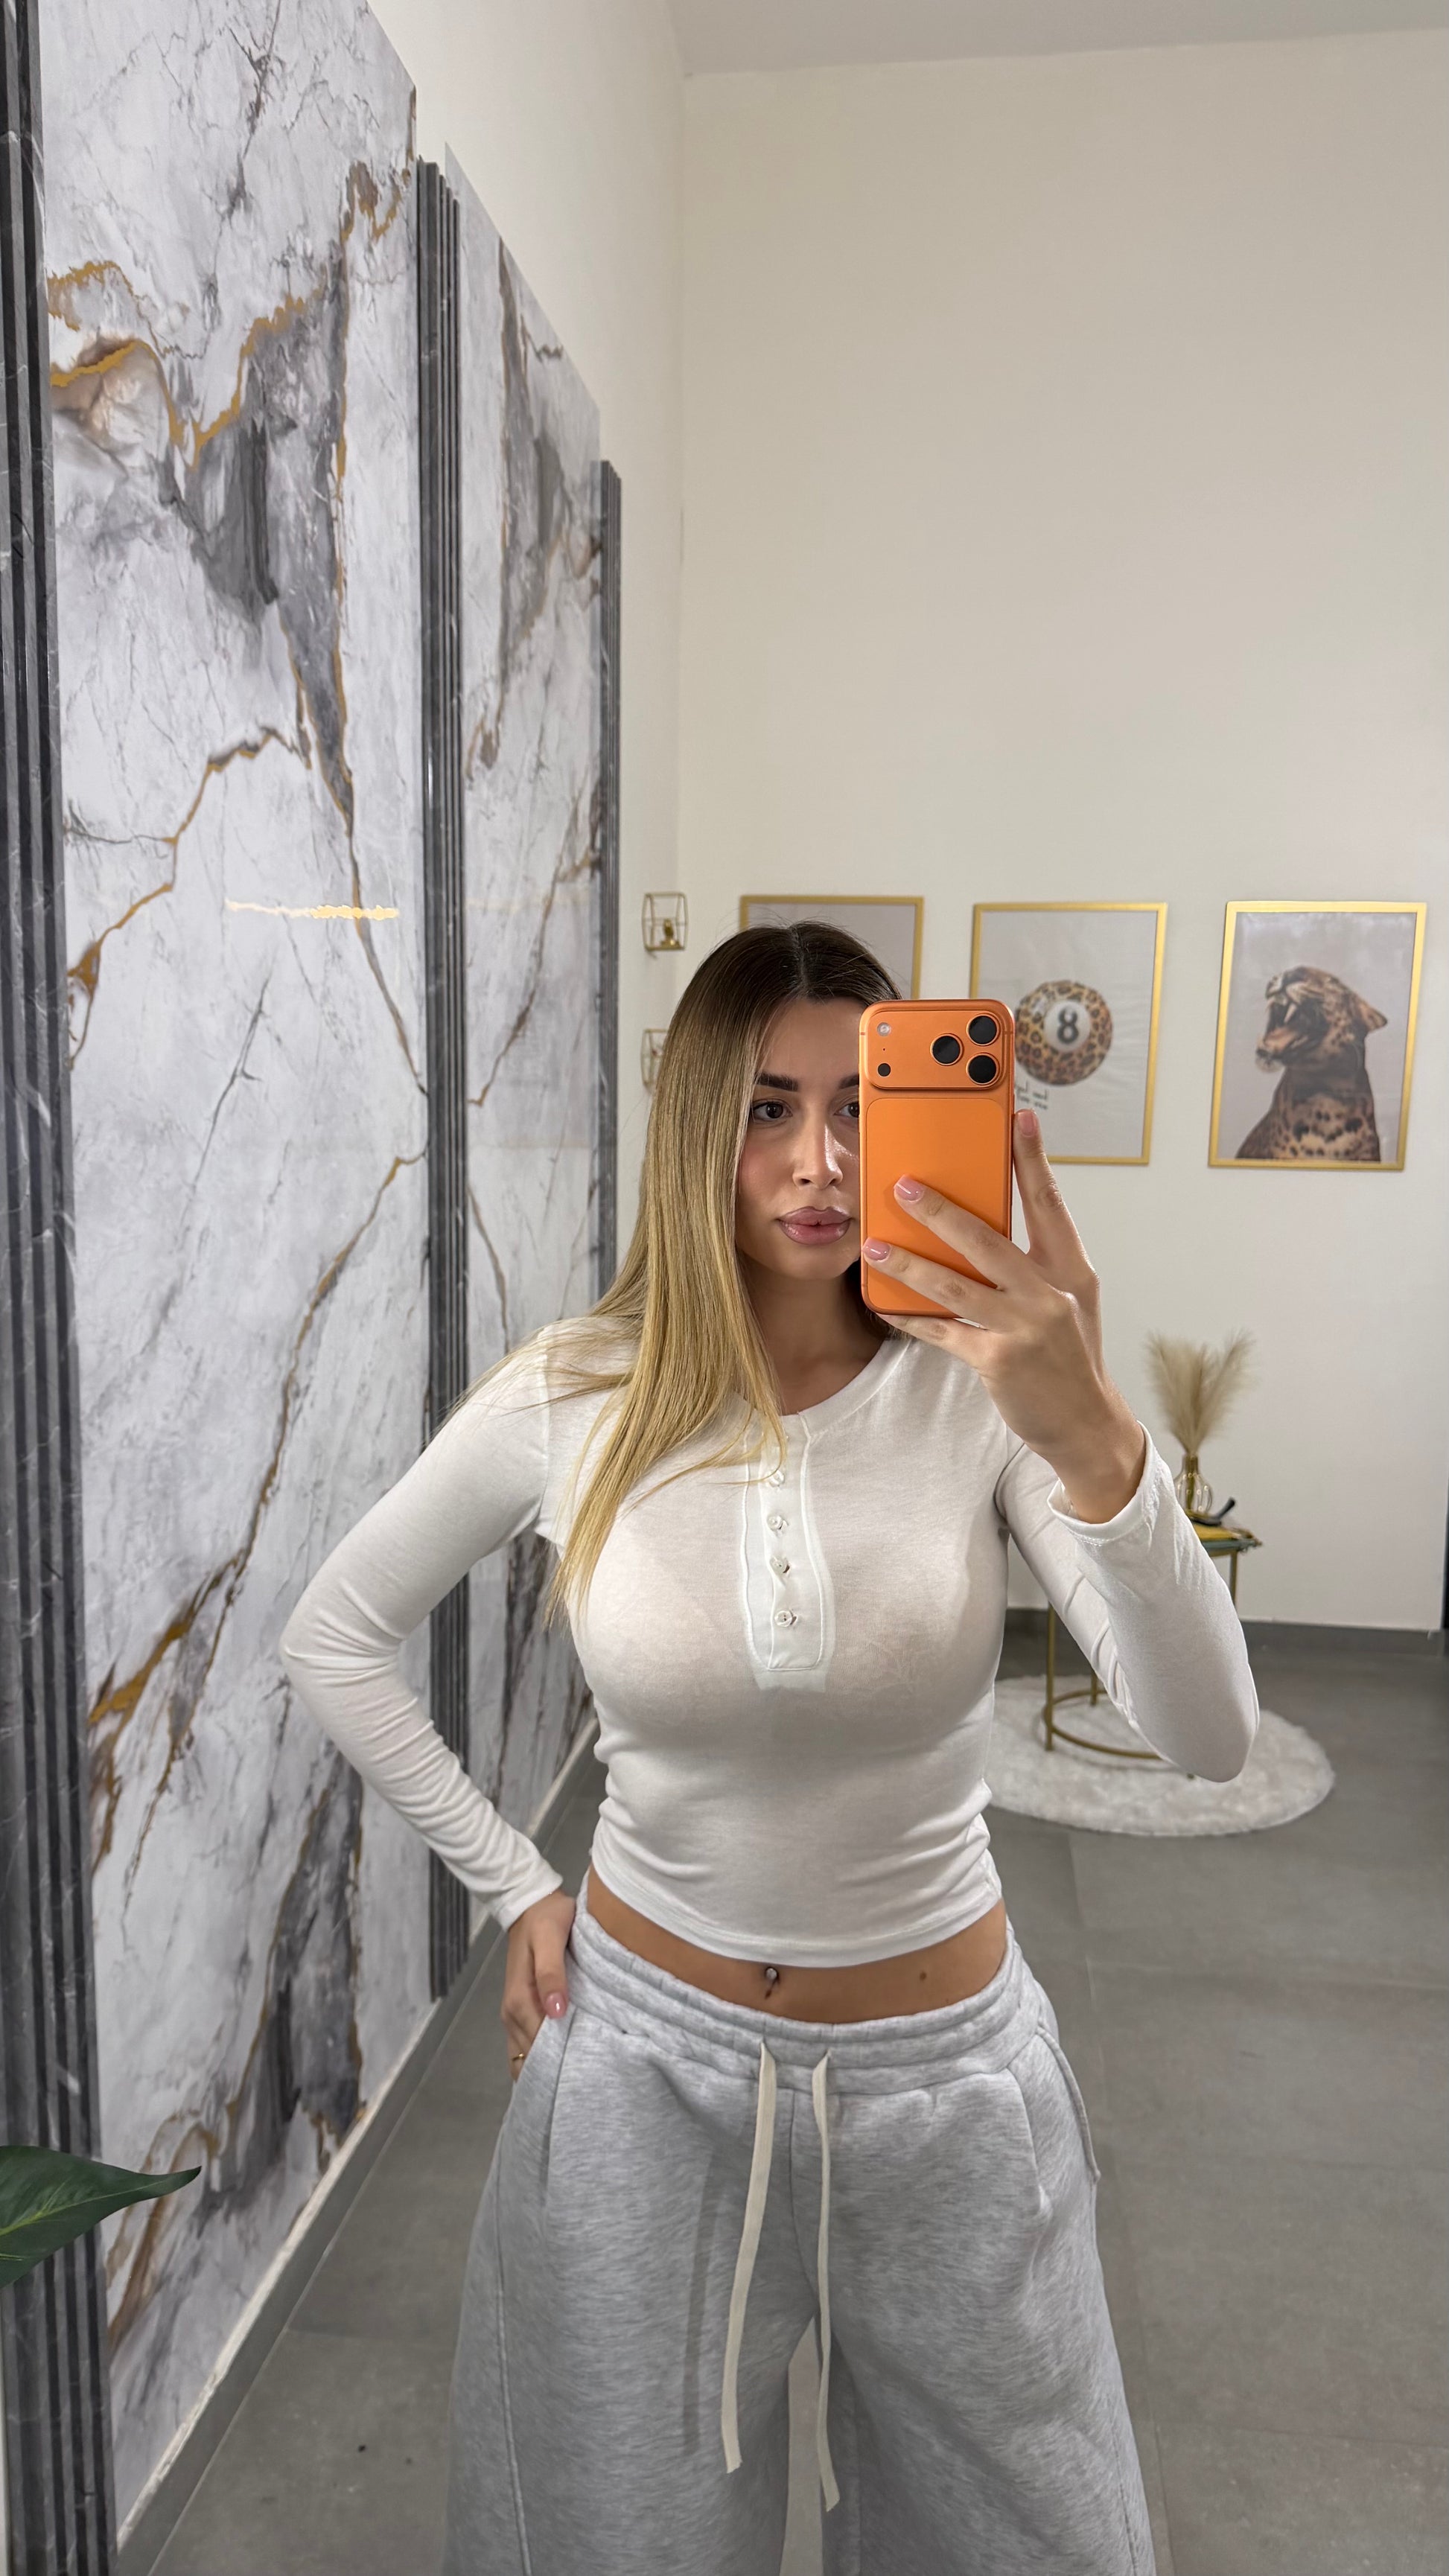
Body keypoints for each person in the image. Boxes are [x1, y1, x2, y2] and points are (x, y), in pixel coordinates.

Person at [281, 921, 1257, 2576]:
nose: (820, 1161)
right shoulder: (573, 1392)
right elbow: (335, 1635)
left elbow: (1209, 1735)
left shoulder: (986, 1395)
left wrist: (1093, 1428)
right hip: (639, 2084)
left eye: (865, 1106)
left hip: (949, 2090)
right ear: (693, 1129)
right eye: (765, 1109)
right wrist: (514, 1881)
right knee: (609, 2543)